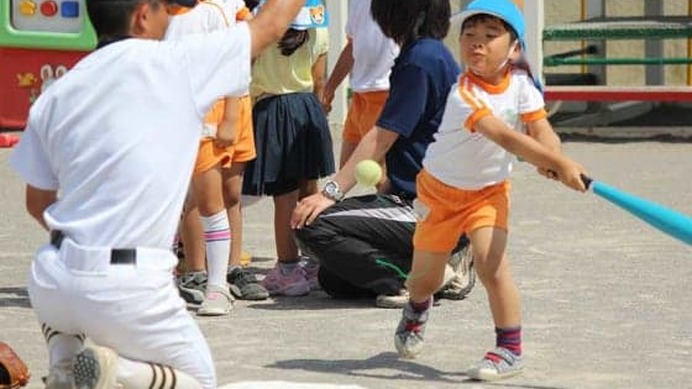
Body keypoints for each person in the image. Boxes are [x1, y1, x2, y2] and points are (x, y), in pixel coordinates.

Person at [8, 0, 307, 387]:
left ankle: (65, 361)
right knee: (197, 380)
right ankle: (115, 371)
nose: (171, 15)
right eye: (164, 8)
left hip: (52, 278)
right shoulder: (175, 65)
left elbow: (37, 203)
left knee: (70, 313)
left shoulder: (59, 89)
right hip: (125, 283)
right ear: (141, 16)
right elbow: (269, 27)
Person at [391, 0, 588, 381]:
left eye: (490, 36)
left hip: (487, 192)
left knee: (491, 264)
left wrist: (553, 156)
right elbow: (505, 136)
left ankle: (509, 349)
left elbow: (540, 128)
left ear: (514, 49)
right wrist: (560, 166)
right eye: (469, 35)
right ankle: (417, 308)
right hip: (439, 193)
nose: (476, 44)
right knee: (424, 280)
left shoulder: (521, 84)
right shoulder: (463, 94)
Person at [292, 0, 473, 308]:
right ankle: (431, 264)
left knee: (314, 225)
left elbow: (381, 137)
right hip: (421, 203)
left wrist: (330, 192)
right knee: (333, 278)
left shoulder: (421, 60)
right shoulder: (425, 53)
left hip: (431, 212)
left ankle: (419, 277)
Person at [243, 0, 335, 296]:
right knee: (310, 188)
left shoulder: (263, 30)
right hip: (308, 107)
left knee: (284, 196)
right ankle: (313, 261)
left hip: (273, 108)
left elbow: (249, 68)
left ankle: (287, 269)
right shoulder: (319, 31)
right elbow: (319, 79)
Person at [320, 0, 398, 176]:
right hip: (359, 96)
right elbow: (352, 46)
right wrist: (330, 87)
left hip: (384, 93)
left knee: (379, 177)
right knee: (347, 171)